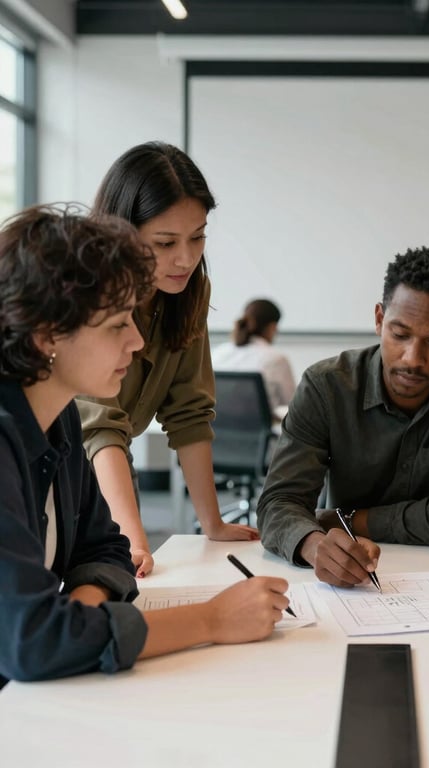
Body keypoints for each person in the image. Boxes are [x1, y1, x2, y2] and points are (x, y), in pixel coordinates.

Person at [0, 206, 289, 687]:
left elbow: (107, 549)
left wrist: (76, 614)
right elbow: (32, 644)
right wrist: (210, 621)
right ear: (46, 333)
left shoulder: (60, 417)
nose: (137, 342)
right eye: (117, 325)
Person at [258, 246, 429, 586]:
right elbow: (278, 502)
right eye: (400, 334)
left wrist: (345, 519)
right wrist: (314, 544)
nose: (413, 358)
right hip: (351, 578)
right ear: (379, 320)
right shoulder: (326, 386)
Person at [76, 142, 259, 579]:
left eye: (198, 236)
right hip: (45, 468)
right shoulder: (86, 289)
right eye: (164, 242)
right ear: (121, 233)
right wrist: (132, 538)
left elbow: (189, 411)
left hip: (113, 468)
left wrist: (211, 524)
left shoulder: (187, 290)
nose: (185, 257)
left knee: (123, 591)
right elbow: (99, 425)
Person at [211, 298, 296, 419]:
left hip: (218, 432)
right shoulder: (276, 359)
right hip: (259, 434)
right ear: (272, 327)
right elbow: (293, 404)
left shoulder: (217, 353)